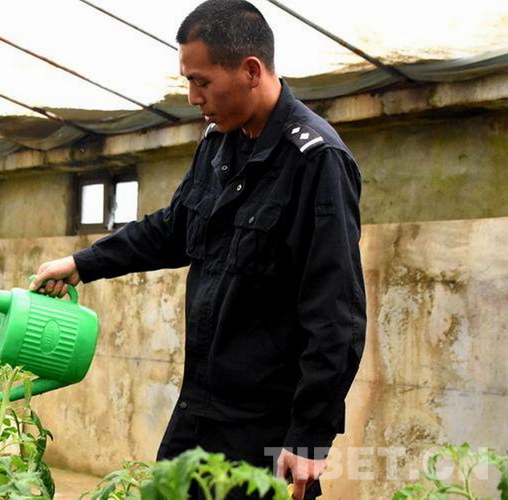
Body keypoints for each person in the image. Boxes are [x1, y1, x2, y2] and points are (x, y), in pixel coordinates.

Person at [29, 1, 366, 498]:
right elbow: (174, 228)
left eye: (202, 82)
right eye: (188, 81)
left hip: (264, 430)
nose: (192, 97)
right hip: (200, 410)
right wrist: (83, 263)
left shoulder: (316, 160)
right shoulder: (218, 144)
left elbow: (336, 313)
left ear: (251, 71)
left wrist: (310, 436)